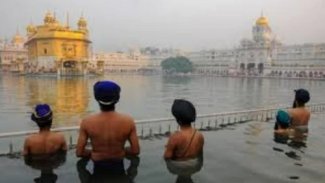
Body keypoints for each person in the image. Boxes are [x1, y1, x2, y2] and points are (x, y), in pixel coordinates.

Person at [76, 81, 140, 174]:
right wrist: (119, 151)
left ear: (96, 98)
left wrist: (97, 153)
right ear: (117, 99)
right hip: (119, 167)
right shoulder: (128, 121)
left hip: (97, 169)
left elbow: (79, 153)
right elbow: (135, 151)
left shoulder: (87, 122)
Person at [164, 99, 204, 177]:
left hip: (178, 166)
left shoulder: (175, 137)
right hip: (194, 165)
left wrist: (168, 147)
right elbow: (199, 153)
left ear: (178, 120)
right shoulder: (199, 135)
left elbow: (167, 156)